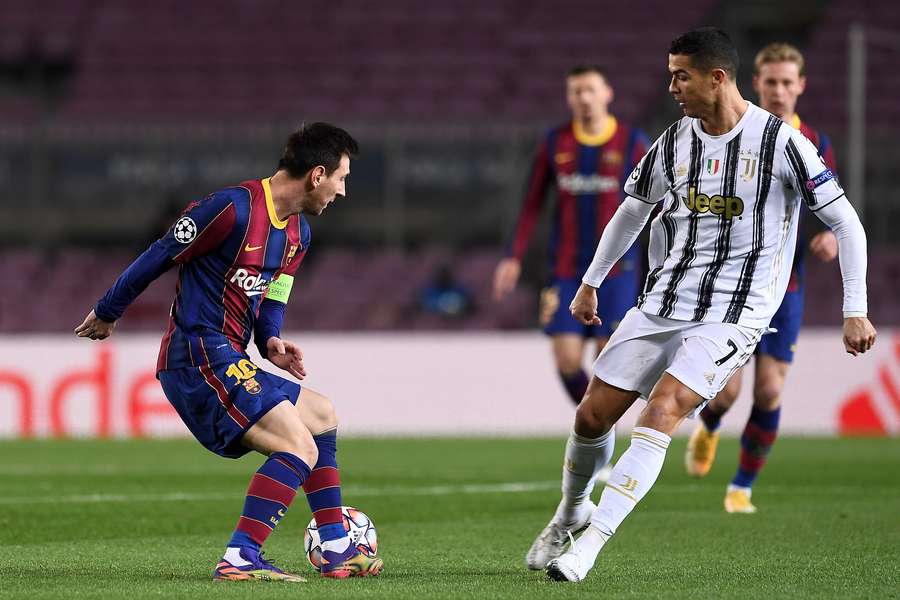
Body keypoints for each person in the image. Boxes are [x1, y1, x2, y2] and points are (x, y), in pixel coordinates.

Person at [526, 28, 875, 582]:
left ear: (717, 78)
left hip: (735, 312)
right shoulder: (675, 140)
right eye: (670, 75)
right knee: (591, 416)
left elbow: (847, 223)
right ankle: (569, 514)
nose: (672, 87)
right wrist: (592, 280)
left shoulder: (781, 142)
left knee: (663, 408)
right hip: (664, 299)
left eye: (680, 75)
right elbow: (632, 211)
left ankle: (589, 546)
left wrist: (854, 307)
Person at [75, 123, 383, 582]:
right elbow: (162, 253)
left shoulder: (298, 234)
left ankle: (337, 547)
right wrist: (107, 309)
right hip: (197, 354)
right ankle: (240, 558)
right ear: (317, 175)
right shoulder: (231, 209)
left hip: (232, 355)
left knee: (321, 416)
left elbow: (273, 295)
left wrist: (271, 341)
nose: (342, 191)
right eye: (341, 178)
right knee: (296, 445)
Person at [685, 43, 841, 513]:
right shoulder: (738, 134)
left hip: (785, 288)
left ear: (800, 87)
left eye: (786, 82)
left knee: (769, 389)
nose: (777, 90)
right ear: (756, 84)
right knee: (726, 388)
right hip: (734, 284)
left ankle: (741, 487)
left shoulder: (814, 142)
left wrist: (831, 237)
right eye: (770, 82)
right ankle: (710, 425)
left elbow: (830, 207)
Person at [493, 65, 648, 406]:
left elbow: (658, 204)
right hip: (565, 269)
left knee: (608, 363)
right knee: (566, 362)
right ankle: (593, 426)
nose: (584, 98)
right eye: (576, 92)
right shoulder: (554, 143)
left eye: (590, 89)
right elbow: (531, 204)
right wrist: (512, 257)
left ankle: (596, 436)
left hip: (617, 272)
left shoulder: (633, 142)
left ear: (608, 93)